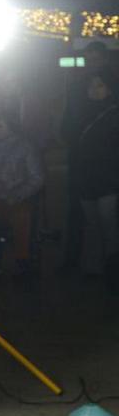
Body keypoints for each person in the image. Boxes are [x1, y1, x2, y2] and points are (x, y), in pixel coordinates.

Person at [0, 113, 45, 276]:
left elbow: (36, 177)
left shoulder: (25, 147)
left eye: (0, 125)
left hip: (18, 196)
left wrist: (18, 194)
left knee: (21, 216)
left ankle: (22, 257)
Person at [74, 71, 119, 285]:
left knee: (108, 224)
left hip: (108, 178)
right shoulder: (81, 113)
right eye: (92, 86)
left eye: (100, 86)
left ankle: (110, 269)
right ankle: (94, 269)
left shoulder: (114, 114)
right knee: (92, 224)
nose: (94, 90)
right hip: (87, 177)